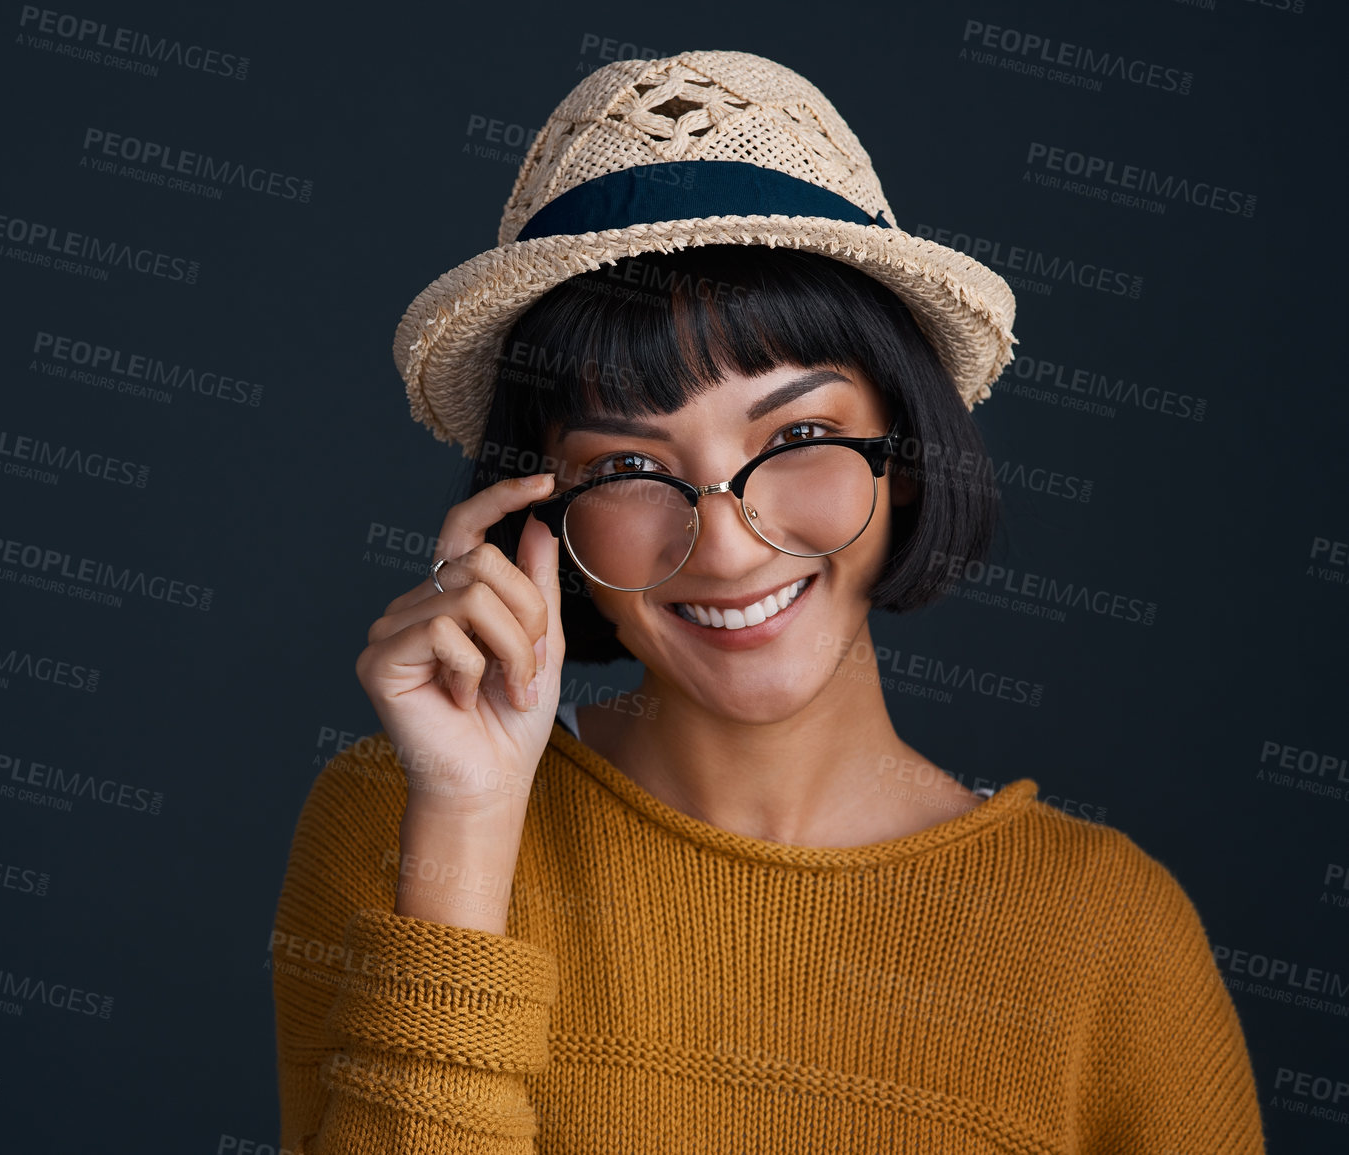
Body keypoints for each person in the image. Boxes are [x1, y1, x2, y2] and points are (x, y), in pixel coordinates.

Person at [271, 51, 1263, 1152]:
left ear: (909, 452)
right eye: (628, 468)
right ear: (542, 514)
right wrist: (465, 825)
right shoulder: (397, 822)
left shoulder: (1113, 938)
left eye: (795, 439)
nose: (728, 541)